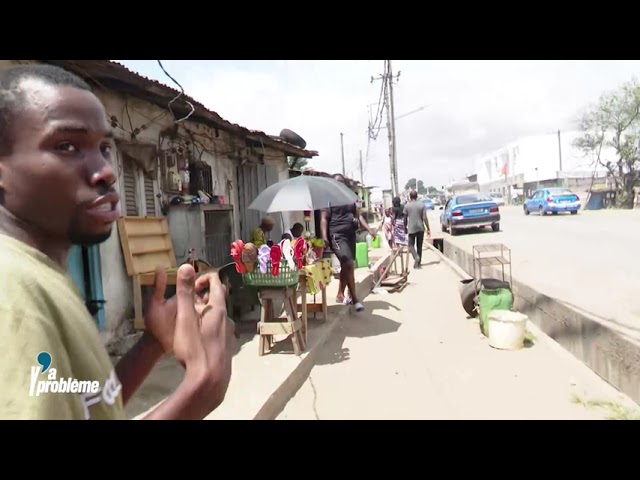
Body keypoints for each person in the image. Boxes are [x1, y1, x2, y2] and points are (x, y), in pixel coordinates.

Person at [0, 64, 234, 420]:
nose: (106, 171)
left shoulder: (40, 275)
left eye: (105, 147)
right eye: (66, 145)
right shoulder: (13, 294)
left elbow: (86, 408)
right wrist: (200, 390)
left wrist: (151, 344)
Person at [320, 174, 375, 312]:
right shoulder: (327, 200)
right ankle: (355, 299)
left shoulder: (350, 198)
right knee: (348, 262)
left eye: (342, 183)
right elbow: (324, 219)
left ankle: (340, 294)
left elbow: (358, 215)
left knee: (348, 265)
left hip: (350, 234)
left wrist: (369, 229)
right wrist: (324, 237)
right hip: (336, 236)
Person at [403, 190, 431, 269]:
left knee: (410, 245)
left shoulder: (407, 206)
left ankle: (416, 257)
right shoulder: (422, 205)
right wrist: (428, 228)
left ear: (410, 197)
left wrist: (404, 227)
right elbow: (424, 217)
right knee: (419, 246)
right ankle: (418, 264)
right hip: (420, 228)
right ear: (417, 196)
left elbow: (404, 219)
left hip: (411, 228)